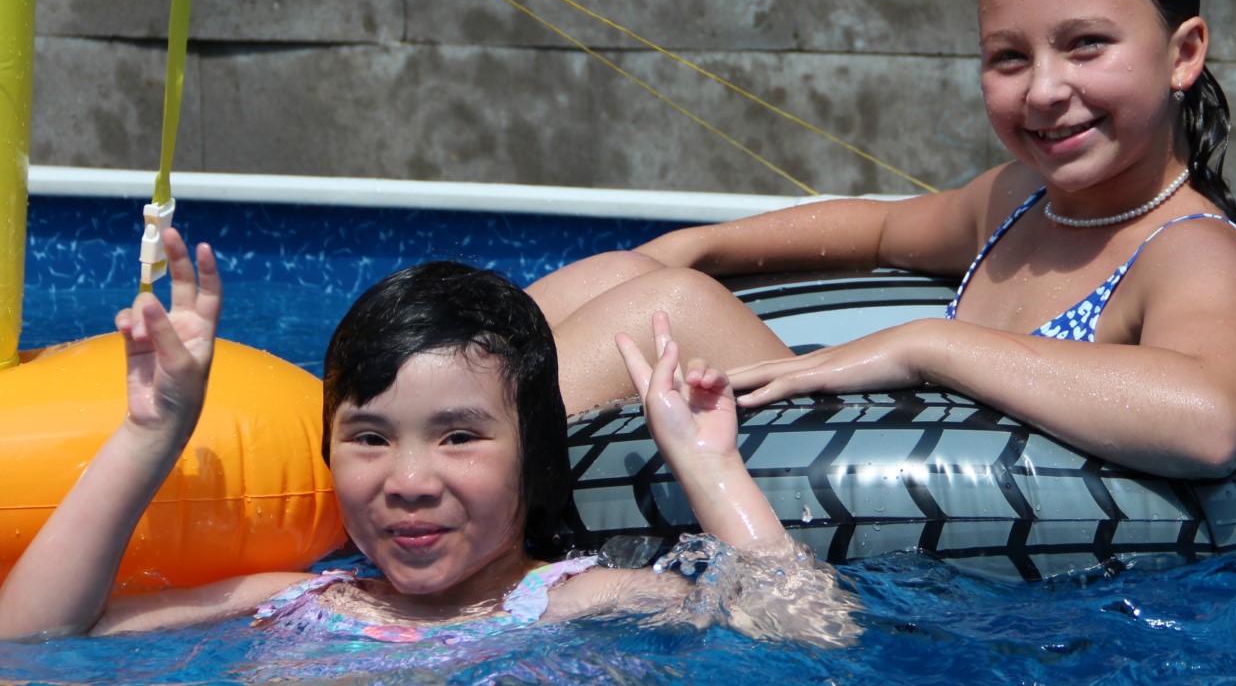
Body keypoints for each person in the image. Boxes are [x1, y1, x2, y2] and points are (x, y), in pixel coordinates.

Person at [532, 0, 1236, 479]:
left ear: (1183, 53)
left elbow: (1212, 421)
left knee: (669, 306)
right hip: (862, 483)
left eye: (1086, 45)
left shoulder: (1188, 251)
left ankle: (482, 458)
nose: (1045, 89)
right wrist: (699, 245)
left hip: (918, 531)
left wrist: (931, 347)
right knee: (626, 272)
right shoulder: (1016, 201)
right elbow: (879, 228)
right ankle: (469, 431)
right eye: (1009, 57)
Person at [0, 229, 855, 645]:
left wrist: (708, 466)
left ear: (534, 457)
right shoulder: (289, 601)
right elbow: (32, 643)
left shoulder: (586, 601)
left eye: (458, 439)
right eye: (369, 439)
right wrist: (150, 437)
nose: (408, 480)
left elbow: (813, 632)